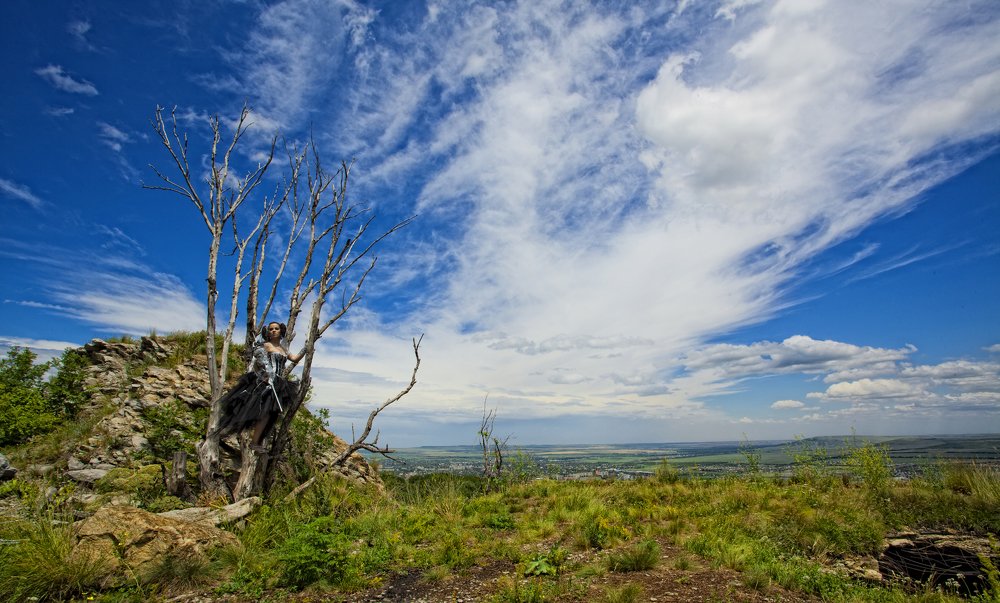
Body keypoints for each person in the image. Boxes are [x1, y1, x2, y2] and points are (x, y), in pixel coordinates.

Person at [214, 322, 303, 452]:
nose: (273, 331)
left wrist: (306, 347)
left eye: (276, 329)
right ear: (267, 332)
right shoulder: (265, 345)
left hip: (279, 383)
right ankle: (239, 437)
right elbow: (258, 355)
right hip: (265, 381)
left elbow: (295, 358)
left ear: (280, 331)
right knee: (256, 411)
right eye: (271, 329)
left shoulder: (283, 349)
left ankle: (256, 442)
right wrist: (266, 371)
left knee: (270, 414)